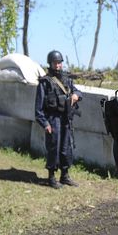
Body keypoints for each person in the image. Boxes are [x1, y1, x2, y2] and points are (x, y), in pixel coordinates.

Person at [34, 50, 82, 188]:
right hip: (53, 119)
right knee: (53, 148)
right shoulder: (45, 82)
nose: (58, 66)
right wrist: (45, 124)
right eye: (55, 63)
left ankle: (65, 175)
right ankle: (51, 177)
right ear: (50, 64)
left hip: (66, 118)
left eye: (59, 63)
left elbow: (78, 91)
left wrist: (76, 96)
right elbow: (38, 109)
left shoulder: (67, 80)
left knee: (66, 148)